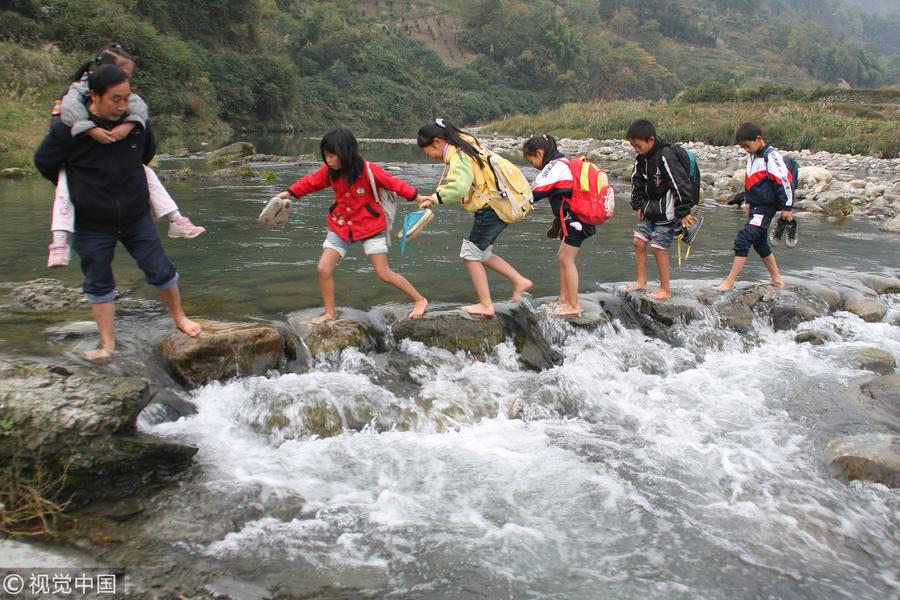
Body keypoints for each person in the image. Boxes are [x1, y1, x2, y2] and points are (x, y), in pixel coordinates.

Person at [34, 64, 201, 362]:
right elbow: (45, 162)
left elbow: (146, 153)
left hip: (136, 216)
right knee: (98, 281)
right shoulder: (67, 131)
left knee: (160, 270)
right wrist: (82, 187)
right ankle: (107, 344)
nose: (122, 106)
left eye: (127, 98)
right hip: (91, 222)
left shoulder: (135, 125)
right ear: (94, 96)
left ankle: (180, 318)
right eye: (116, 99)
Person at [47, 44, 204, 269]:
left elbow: (140, 110)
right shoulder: (76, 92)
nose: (126, 85)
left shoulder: (125, 97)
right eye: (124, 75)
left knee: (144, 172)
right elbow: (62, 122)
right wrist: (90, 130)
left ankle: (175, 218)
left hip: (118, 152)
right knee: (65, 189)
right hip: (79, 155)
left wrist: (129, 126)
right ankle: (60, 242)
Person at [270, 127, 428, 324]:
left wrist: (418, 197)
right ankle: (330, 312)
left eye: (332, 156)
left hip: (370, 226)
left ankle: (419, 299)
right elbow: (309, 183)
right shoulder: (329, 172)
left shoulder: (368, 170)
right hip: (341, 225)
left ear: (346, 153)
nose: (328, 160)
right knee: (323, 269)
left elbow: (394, 183)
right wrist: (288, 193)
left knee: (383, 273)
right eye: (325, 156)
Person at [416, 119, 532, 317]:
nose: (431, 157)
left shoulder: (458, 154)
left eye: (428, 152)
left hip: (491, 209)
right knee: (483, 253)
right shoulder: (468, 143)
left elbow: (460, 186)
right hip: (500, 205)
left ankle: (486, 305)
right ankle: (519, 281)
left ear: (437, 141)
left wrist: (435, 199)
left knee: (470, 254)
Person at [522, 134, 593, 316]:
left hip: (576, 220)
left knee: (566, 259)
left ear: (539, 153)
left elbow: (536, 190)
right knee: (562, 256)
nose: (533, 166)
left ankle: (573, 305)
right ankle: (564, 299)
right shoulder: (561, 162)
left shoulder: (555, 166)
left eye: (531, 161)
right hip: (575, 218)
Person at [625, 119, 696, 300]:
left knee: (658, 248)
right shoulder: (641, 158)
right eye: (633, 146)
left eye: (638, 145)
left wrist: (684, 211)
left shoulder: (666, 155)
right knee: (638, 242)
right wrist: (637, 204)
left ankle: (666, 289)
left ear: (651, 140)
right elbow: (637, 181)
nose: (636, 149)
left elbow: (679, 182)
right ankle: (641, 281)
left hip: (668, 212)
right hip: (649, 210)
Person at [716, 122, 792, 291]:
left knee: (743, 240)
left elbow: (783, 181)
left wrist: (787, 207)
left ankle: (729, 282)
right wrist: (748, 200)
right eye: (743, 147)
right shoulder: (753, 157)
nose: (746, 149)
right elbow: (751, 181)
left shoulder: (771, 156)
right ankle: (777, 280)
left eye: (747, 146)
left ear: (758, 139)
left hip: (765, 208)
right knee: (759, 244)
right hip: (756, 207)